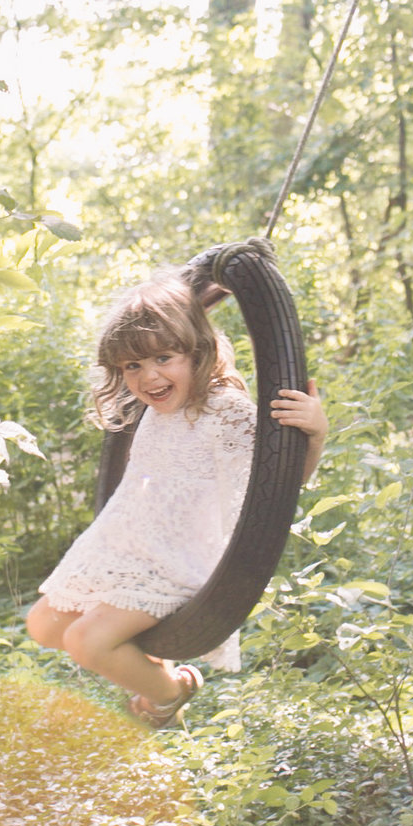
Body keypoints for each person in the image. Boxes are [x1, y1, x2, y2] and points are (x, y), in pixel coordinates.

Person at [26, 270, 326, 727]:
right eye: (132, 367)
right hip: (129, 547)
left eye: (164, 357)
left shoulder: (224, 410)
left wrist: (316, 433)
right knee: (44, 626)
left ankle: (172, 691)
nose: (149, 376)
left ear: (198, 351)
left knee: (88, 641)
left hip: (180, 560)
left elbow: (278, 487)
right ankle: (153, 670)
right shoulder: (156, 408)